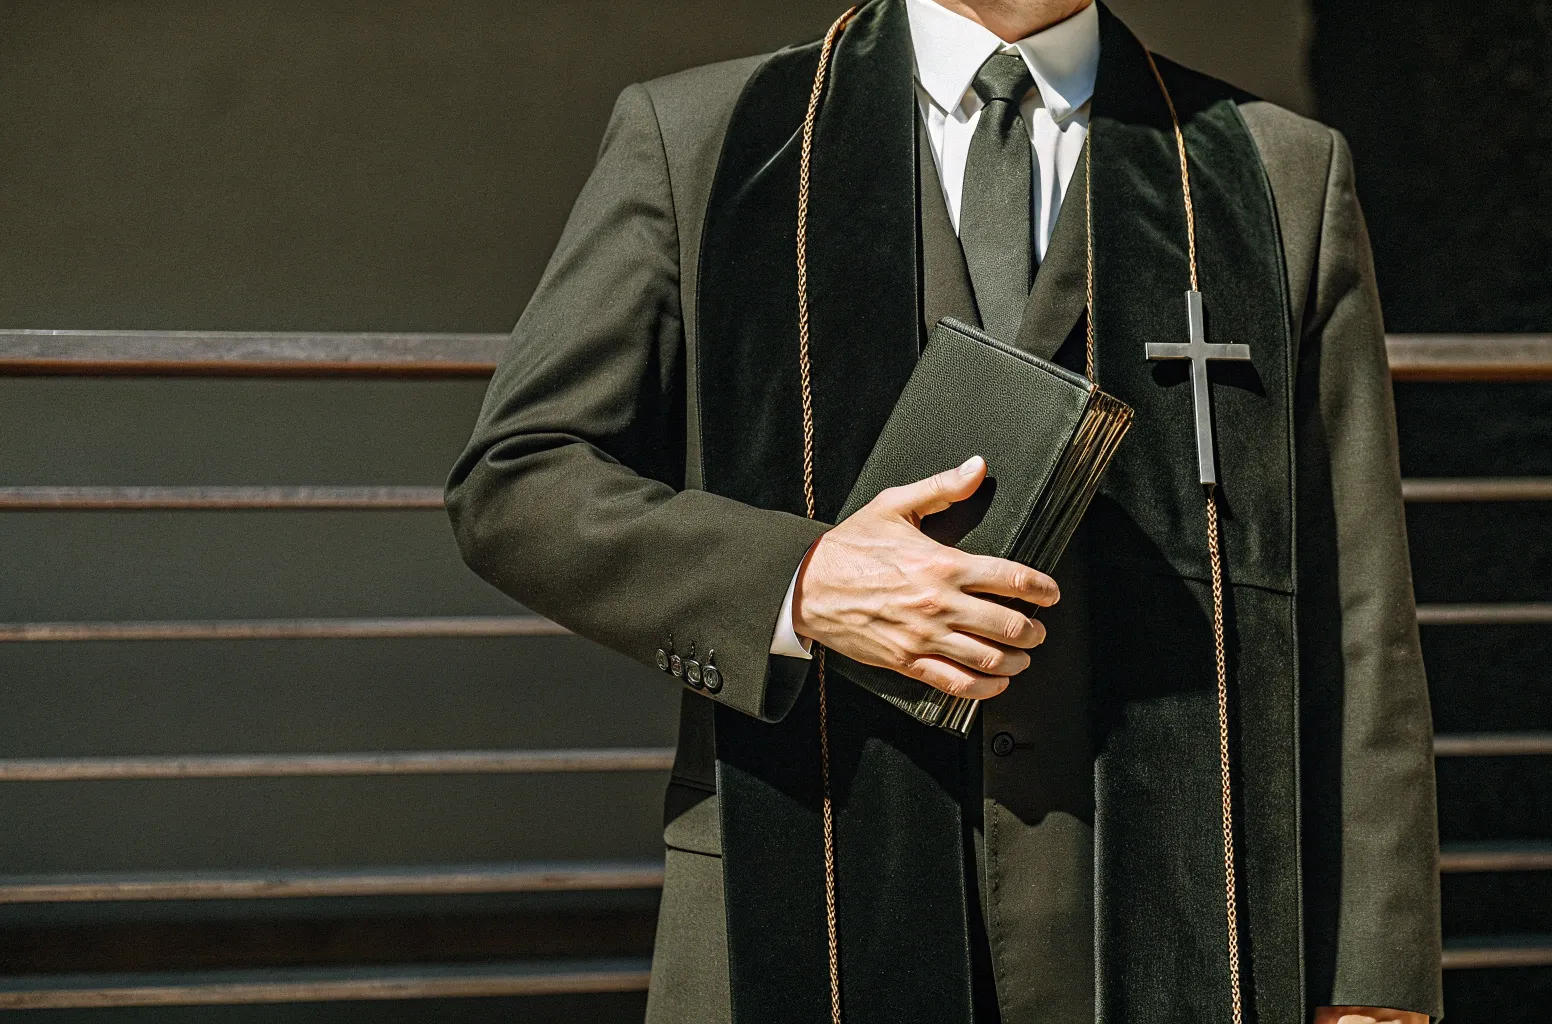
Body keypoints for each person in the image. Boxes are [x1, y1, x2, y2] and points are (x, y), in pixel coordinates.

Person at [446, 0, 1440, 1021]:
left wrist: (1371, 985)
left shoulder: (1272, 173)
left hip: (1166, 919)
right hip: (804, 890)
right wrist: (796, 583)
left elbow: (1354, 603)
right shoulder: (704, 141)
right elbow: (517, 479)